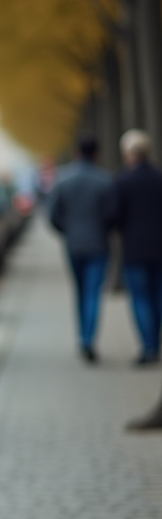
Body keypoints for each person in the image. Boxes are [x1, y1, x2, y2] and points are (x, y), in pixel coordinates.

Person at [48, 134, 113, 363]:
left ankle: (82, 338)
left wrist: (67, 231)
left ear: (76, 152)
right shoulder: (105, 180)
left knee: (80, 291)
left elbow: (52, 214)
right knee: (93, 292)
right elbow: (113, 214)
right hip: (98, 245)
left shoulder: (63, 179)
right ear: (97, 153)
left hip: (74, 245)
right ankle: (88, 339)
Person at [107, 129, 162, 365]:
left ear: (128, 154)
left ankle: (148, 347)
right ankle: (155, 343)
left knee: (140, 298)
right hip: (159, 249)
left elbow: (112, 215)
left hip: (134, 250)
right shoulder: (159, 178)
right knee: (157, 297)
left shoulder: (122, 181)